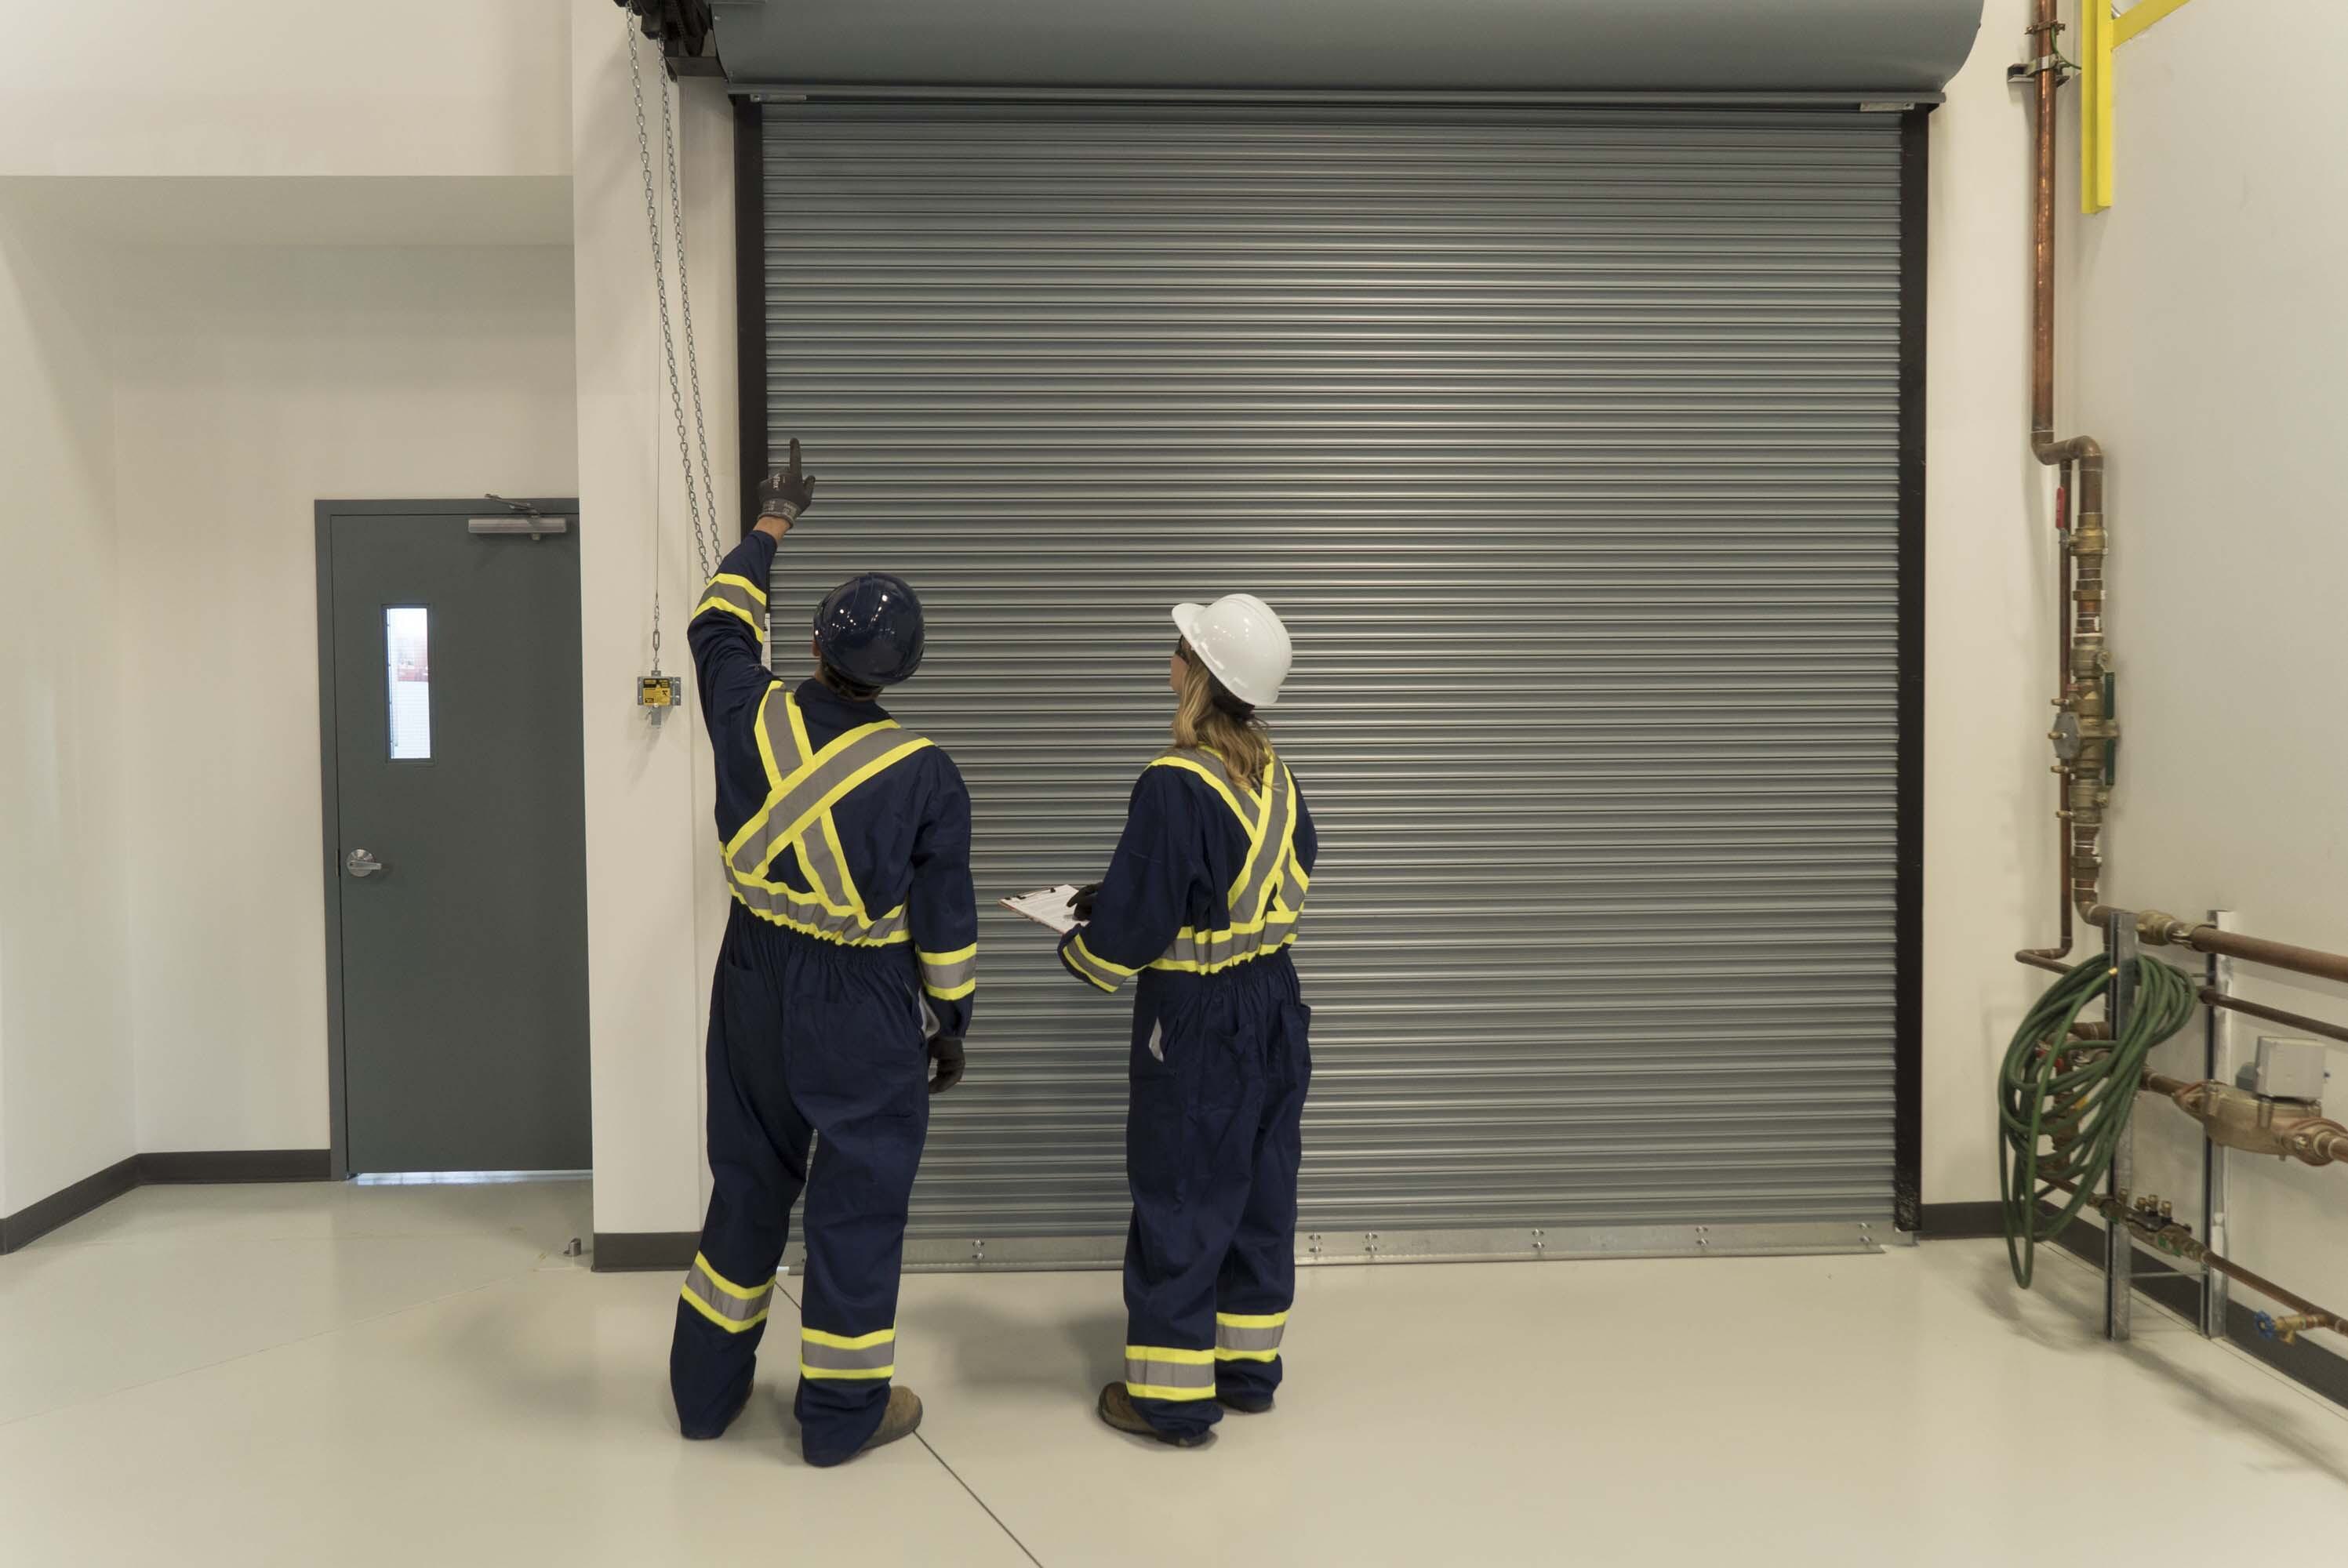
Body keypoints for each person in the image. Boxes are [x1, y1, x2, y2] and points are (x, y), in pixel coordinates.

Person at [669, 441, 977, 1467]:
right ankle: (841, 1418)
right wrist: (951, 1020)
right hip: (860, 1004)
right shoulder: (926, 775)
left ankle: (705, 1397)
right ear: (909, 672)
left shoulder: (745, 711)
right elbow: (946, 923)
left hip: (752, 977)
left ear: (809, 641)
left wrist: (771, 525)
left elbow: (715, 620)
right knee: (856, 1201)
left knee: (747, 1183)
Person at [1058, 593, 1318, 1446]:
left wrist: (1082, 947)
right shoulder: (1274, 775)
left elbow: (1136, 924)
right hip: (1274, 999)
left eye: (1181, 648)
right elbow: (1273, 871)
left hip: (1200, 1019)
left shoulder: (1175, 781)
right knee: (1257, 1185)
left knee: (1183, 1187)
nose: (1170, 658)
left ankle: (1168, 1396)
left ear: (1201, 676)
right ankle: (1245, 1370)